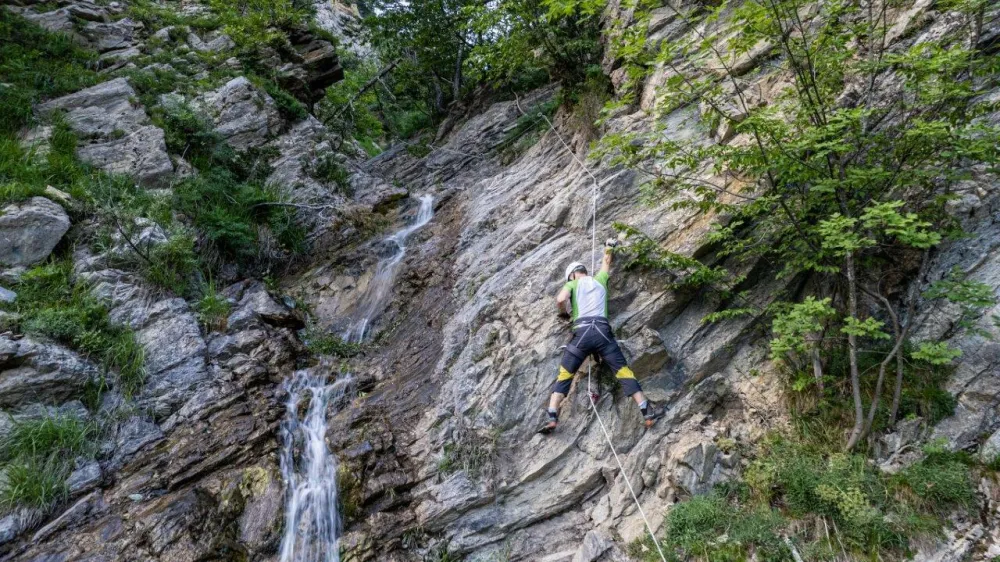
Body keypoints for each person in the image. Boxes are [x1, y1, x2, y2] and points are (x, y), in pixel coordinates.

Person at [540, 240, 662, 434]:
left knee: (565, 374)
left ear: (571, 274)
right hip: (603, 333)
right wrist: (609, 246)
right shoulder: (600, 279)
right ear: (583, 270)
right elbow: (606, 260)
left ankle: (552, 416)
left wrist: (563, 313)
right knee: (623, 372)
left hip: (582, 333)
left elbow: (561, 299)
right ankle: (646, 411)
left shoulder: (572, 283)